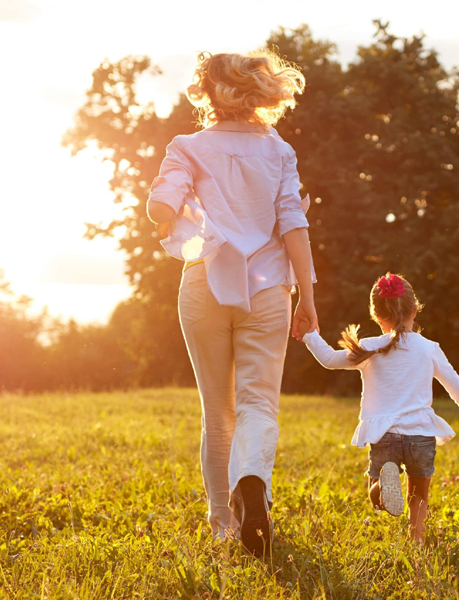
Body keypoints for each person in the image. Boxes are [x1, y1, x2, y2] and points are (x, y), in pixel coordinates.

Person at [146, 51, 317, 558]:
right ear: (259, 92)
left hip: (205, 285)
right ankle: (253, 481)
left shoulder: (186, 146)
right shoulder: (279, 151)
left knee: (216, 413)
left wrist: (162, 210)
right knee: (258, 403)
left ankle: (223, 522)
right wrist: (308, 295)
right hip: (267, 289)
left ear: (206, 92)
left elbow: (160, 205)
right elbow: (294, 225)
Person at [299, 273, 459, 542]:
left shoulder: (370, 347)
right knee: (419, 493)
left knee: (377, 494)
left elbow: (329, 359)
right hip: (420, 434)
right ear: (415, 310)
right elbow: (456, 384)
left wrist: (309, 335)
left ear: (375, 314)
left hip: (384, 435)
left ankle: (380, 489)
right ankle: (417, 541)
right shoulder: (428, 348)